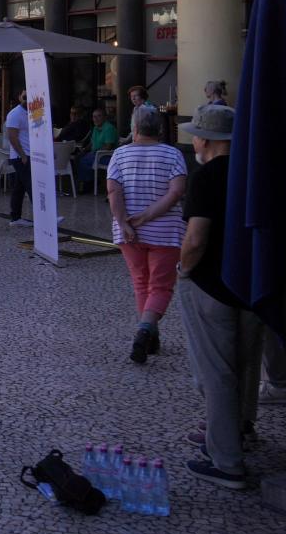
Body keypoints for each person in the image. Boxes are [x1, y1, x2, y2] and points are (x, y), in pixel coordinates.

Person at [172, 105, 259, 490]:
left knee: (216, 372)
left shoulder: (207, 177)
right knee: (244, 364)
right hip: (252, 285)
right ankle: (239, 430)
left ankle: (227, 461)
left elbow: (196, 238)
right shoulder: (256, 172)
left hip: (211, 286)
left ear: (206, 140)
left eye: (195, 134)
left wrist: (184, 270)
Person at [106, 106, 188, 365]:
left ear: (135, 128)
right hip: (166, 232)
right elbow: (176, 192)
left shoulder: (119, 154)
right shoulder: (173, 154)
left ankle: (150, 334)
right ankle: (145, 330)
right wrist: (148, 215)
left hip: (129, 234)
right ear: (161, 129)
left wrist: (126, 223)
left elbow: (113, 192)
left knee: (141, 283)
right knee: (161, 285)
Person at [4, 90, 33, 227]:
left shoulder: (33, 112)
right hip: (21, 156)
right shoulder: (14, 114)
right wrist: (22, 155)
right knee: (31, 185)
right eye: (25, 97)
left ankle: (15, 217)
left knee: (19, 187)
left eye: (29, 97)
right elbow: (12, 137)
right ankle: (46, 219)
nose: (27, 99)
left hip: (30, 154)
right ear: (19, 97)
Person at [76, 106, 119, 192]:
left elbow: (108, 146)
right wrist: (84, 150)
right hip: (96, 154)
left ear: (104, 117)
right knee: (79, 157)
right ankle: (88, 181)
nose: (95, 119)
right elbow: (92, 142)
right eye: (94, 117)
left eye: (98, 116)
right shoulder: (96, 128)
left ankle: (88, 183)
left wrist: (94, 152)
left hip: (107, 156)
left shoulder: (108, 128)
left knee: (83, 160)